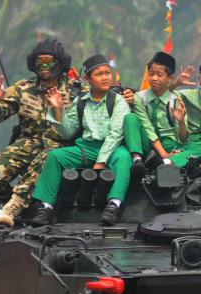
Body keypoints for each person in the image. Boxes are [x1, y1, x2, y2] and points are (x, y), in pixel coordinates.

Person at [0, 39, 86, 227]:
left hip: (63, 144)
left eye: (49, 61)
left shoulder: (77, 90)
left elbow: (102, 102)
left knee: (46, 158)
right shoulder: (22, 88)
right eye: (40, 61)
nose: (44, 66)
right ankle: (18, 207)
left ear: (60, 63)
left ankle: (12, 208)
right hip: (29, 142)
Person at [31, 54, 132, 227]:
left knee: (123, 158)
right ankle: (46, 207)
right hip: (87, 149)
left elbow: (116, 134)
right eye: (99, 74)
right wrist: (58, 110)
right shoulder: (80, 102)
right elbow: (67, 132)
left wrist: (101, 162)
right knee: (55, 156)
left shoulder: (118, 101)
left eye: (107, 73)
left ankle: (113, 206)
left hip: (113, 148)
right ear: (87, 79)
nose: (105, 77)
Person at [123, 51, 186, 181]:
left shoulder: (176, 101)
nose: (154, 78)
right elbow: (147, 127)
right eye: (151, 74)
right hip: (147, 145)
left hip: (170, 145)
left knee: (197, 149)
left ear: (170, 78)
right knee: (130, 118)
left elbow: (183, 139)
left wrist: (181, 122)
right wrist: (164, 154)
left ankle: (166, 165)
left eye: (159, 74)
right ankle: (137, 160)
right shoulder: (139, 98)